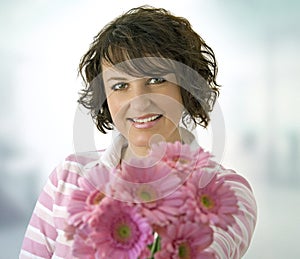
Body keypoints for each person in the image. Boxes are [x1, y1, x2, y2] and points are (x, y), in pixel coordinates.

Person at [20, 5, 257, 258]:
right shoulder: (68, 177)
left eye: (156, 80)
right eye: (120, 85)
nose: (139, 102)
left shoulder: (225, 191)